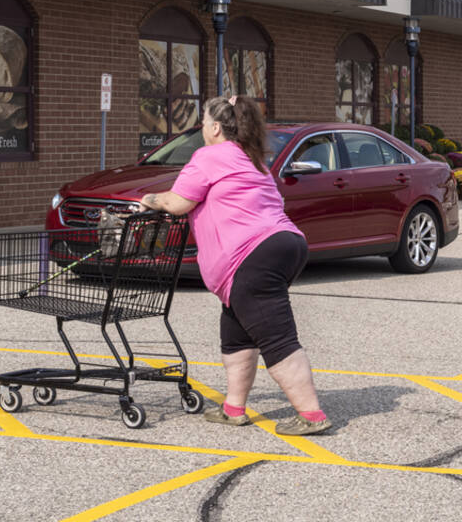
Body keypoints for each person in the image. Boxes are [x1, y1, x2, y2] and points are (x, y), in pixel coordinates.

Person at [137, 96, 331, 436]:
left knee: (277, 338)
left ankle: (311, 415)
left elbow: (179, 202)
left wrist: (149, 200)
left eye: (203, 121)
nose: (201, 128)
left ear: (215, 127)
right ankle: (233, 408)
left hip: (252, 255)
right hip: (282, 245)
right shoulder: (251, 159)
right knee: (237, 334)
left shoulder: (209, 156)